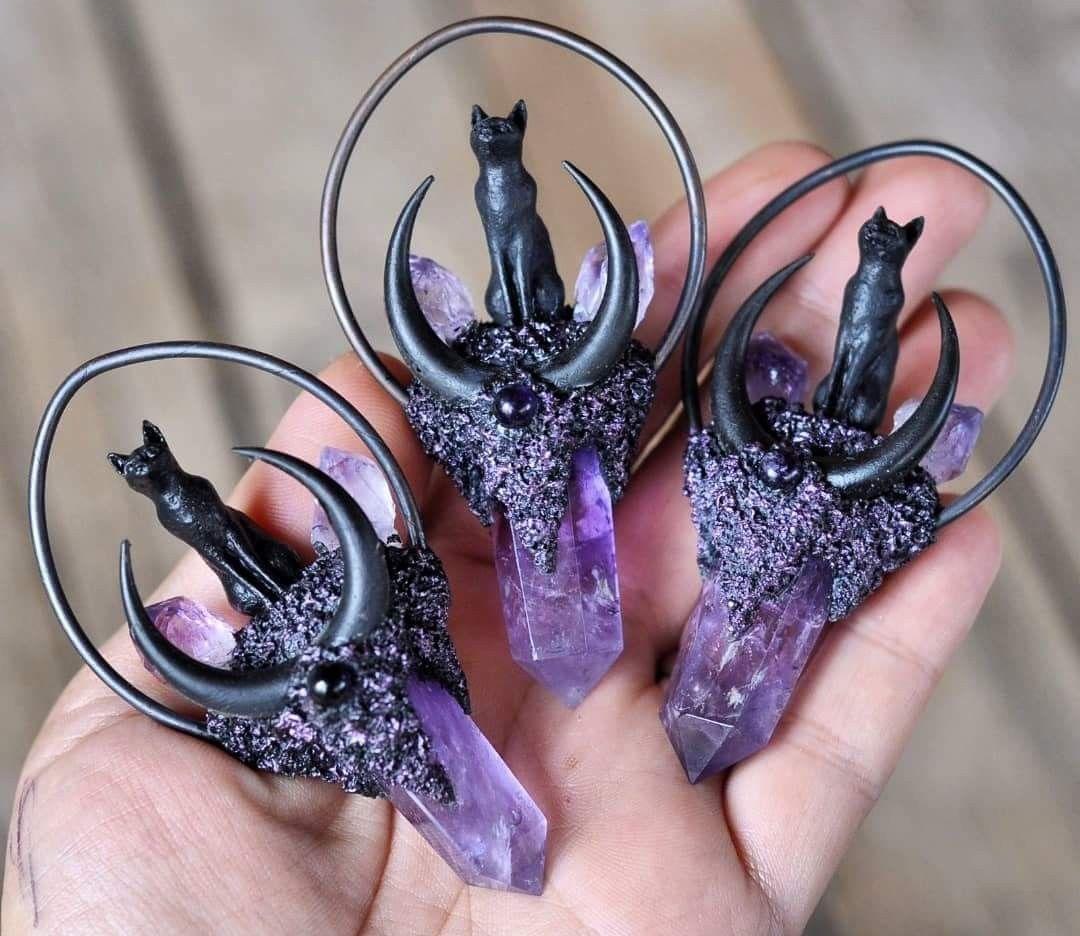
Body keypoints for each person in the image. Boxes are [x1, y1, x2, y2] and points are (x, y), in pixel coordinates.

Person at [2, 143, 1009, 934]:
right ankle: (166, 485)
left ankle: (871, 257)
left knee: (841, 354)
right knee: (218, 528)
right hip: (361, 600)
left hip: (760, 473)